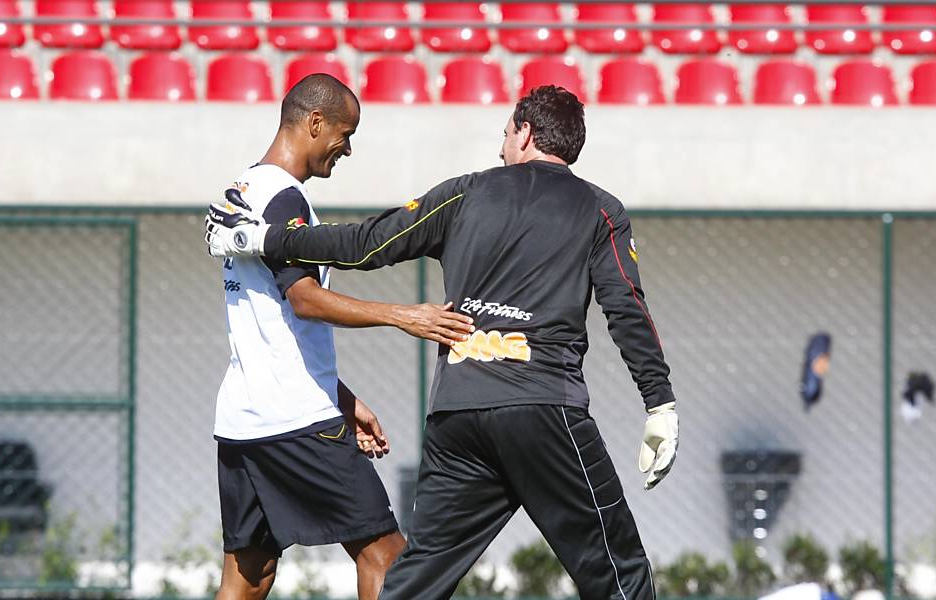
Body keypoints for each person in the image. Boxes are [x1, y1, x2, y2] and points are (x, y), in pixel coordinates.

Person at [206, 85, 679, 600]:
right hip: (543, 410)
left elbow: (368, 243)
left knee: (408, 582)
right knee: (619, 572)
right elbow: (627, 307)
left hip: (458, 419)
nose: (501, 147)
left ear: (524, 132)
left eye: (505, 134)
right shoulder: (600, 209)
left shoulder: (466, 193)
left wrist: (262, 239)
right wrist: (659, 401)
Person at [210, 74, 474, 600]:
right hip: (295, 422)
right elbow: (303, 299)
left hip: (242, 423)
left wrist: (343, 397)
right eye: (344, 133)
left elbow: (274, 329)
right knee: (385, 555)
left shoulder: (245, 188)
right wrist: (406, 315)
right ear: (314, 123)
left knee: (250, 575)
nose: (347, 148)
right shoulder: (285, 200)